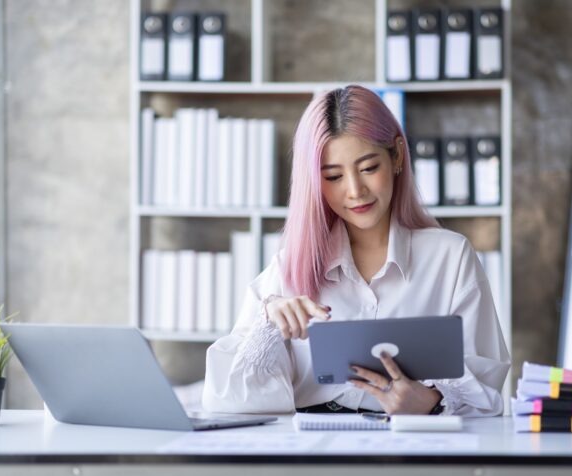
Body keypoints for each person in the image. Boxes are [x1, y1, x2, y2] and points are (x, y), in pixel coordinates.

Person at [202, 85, 510, 416]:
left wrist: (431, 401)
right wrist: (268, 321)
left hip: (410, 444)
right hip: (313, 447)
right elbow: (225, 400)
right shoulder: (289, 267)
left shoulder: (450, 257)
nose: (355, 191)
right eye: (333, 176)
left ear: (397, 155)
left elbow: (487, 391)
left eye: (368, 168)